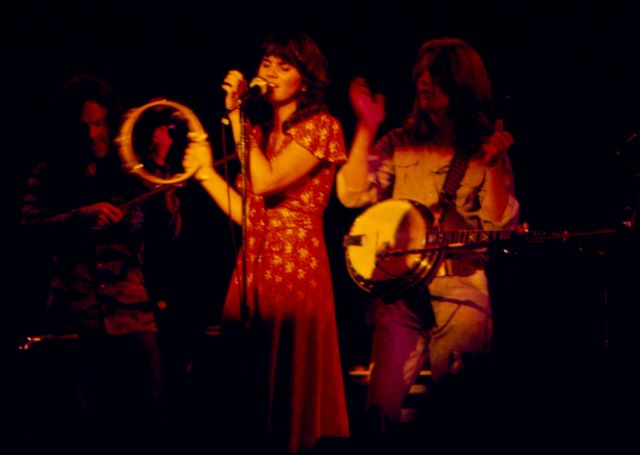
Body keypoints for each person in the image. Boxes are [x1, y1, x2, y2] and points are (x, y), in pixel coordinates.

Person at [336, 37, 520, 451]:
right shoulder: (399, 141)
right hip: (400, 293)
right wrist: (366, 127)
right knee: (377, 411)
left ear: (462, 83)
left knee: (458, 412)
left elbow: (500, 225)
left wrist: (493, 169)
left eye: (435, 74)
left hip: (460, 289)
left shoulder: (485, 147)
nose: (423, 81)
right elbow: (350, 193)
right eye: (420, 72)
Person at [184, 31, 350, 454]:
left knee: (289, 378)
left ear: (306, 81)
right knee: (246, 379)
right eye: (267, 63)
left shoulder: (322, 127)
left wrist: (236, 116)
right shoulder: (258, 134)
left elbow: (266, 180)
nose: (271, 72)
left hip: (296, 265)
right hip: (254, 262)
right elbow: (250, 214)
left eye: (284, 65)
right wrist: (205, 174)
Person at [20, 74, 181, 454]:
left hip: (132, 316)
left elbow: (169, 230)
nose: (96, 133)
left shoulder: (133, 173)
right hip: (75, 316)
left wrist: (159, 164)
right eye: (86, 125)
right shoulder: (48, 175)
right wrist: (81, 216)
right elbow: (28, 232)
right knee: (84, 426)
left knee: (150, 416)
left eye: (101, 122)